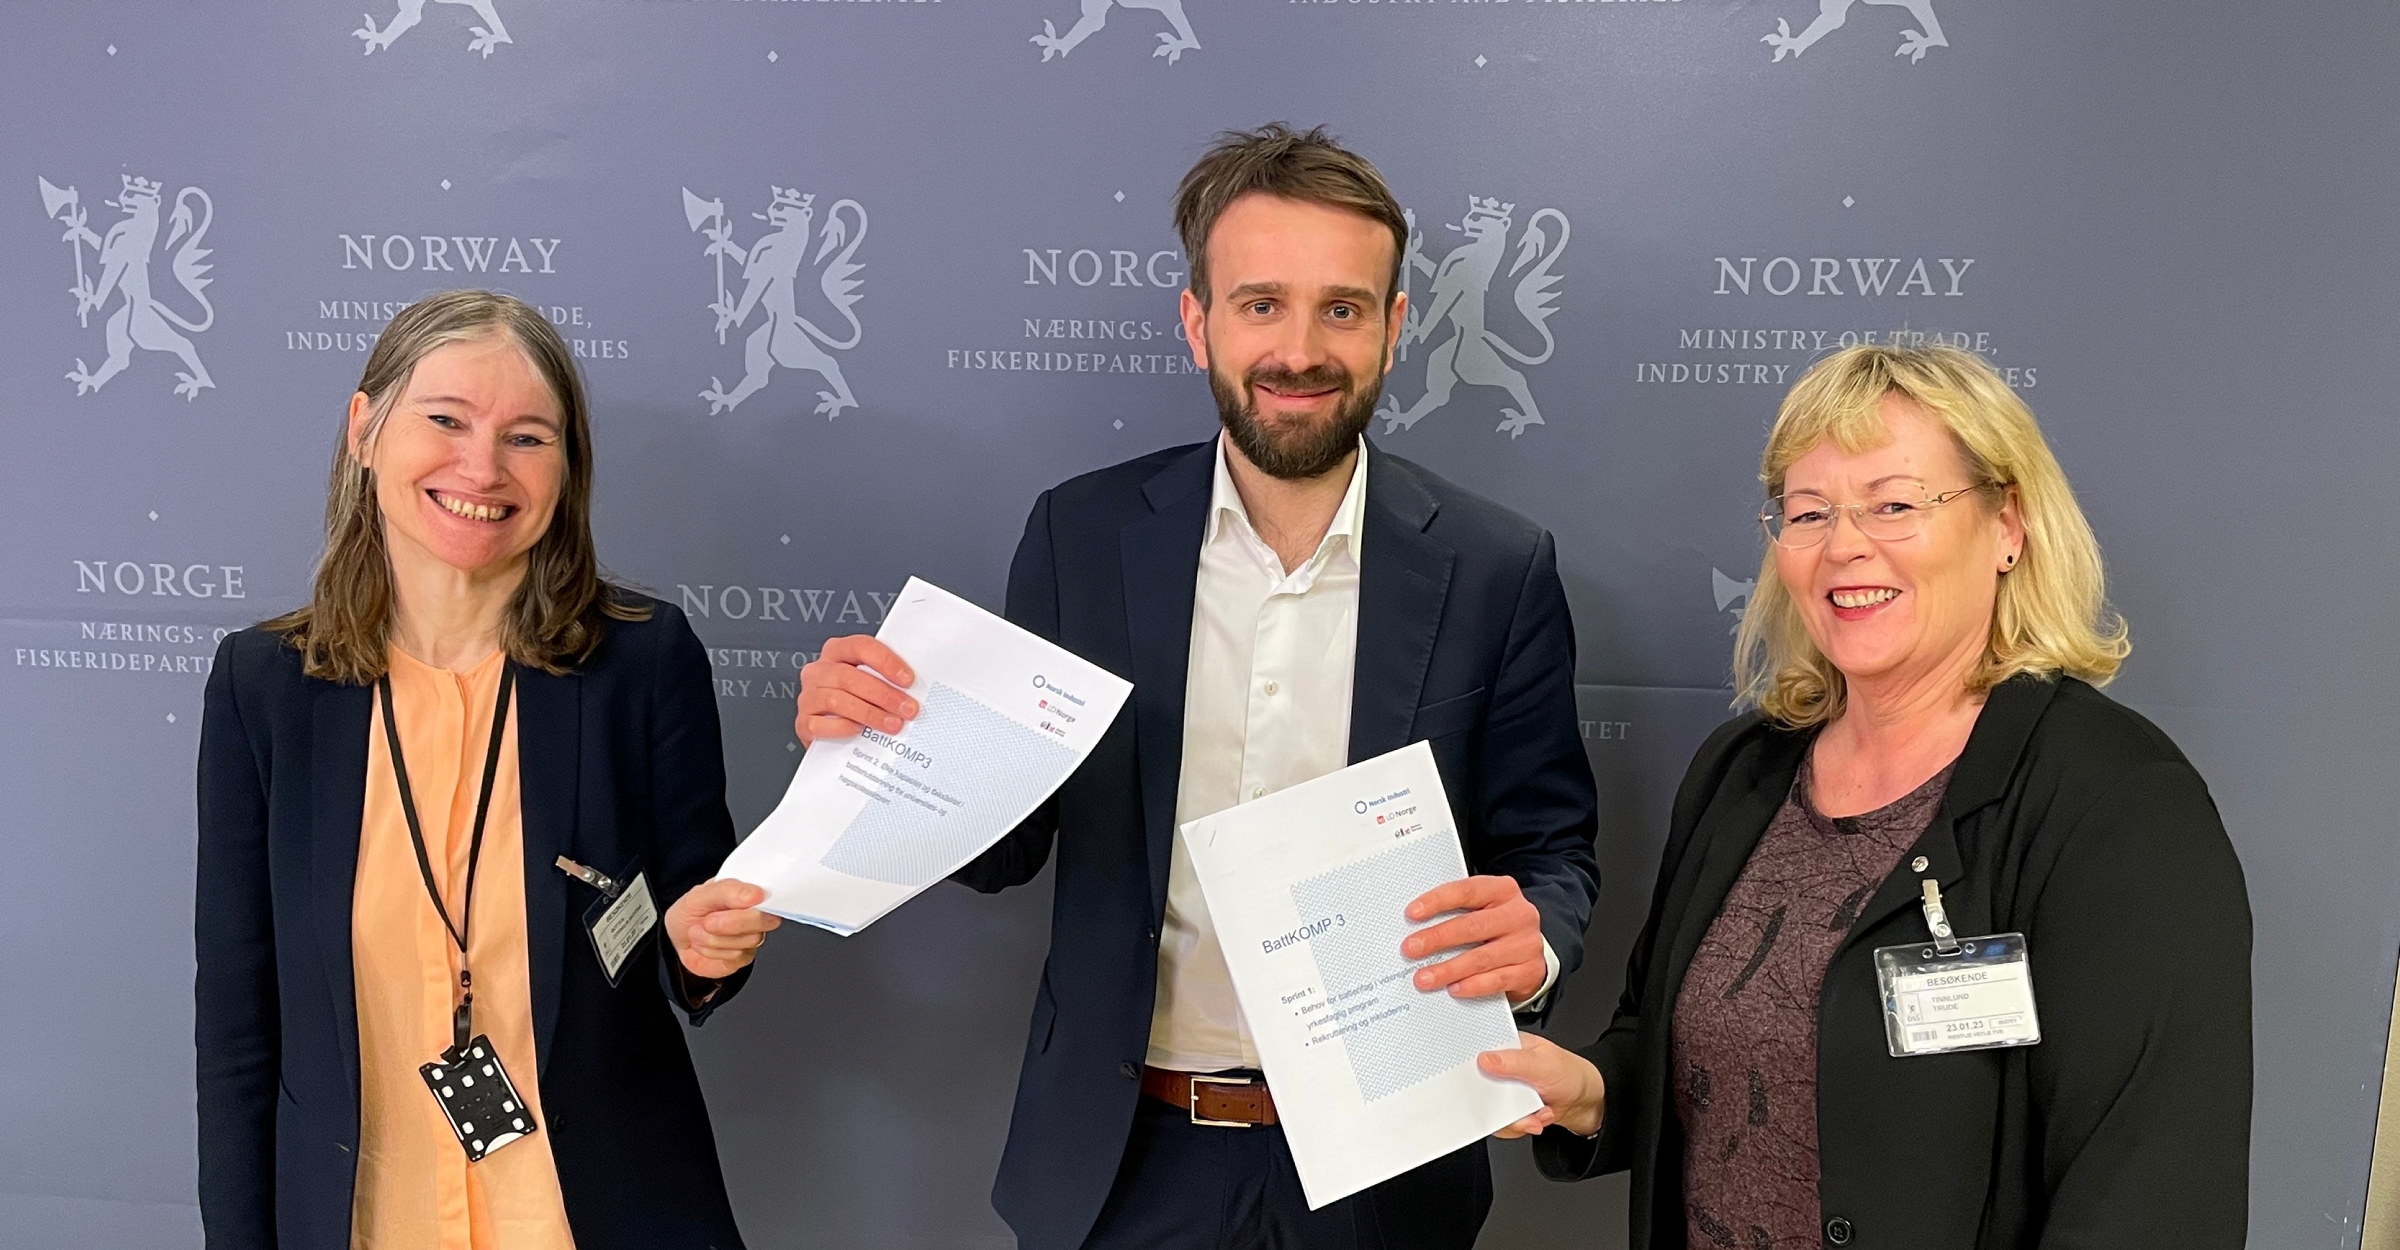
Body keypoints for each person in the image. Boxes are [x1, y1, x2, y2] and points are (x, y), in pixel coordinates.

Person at [794, 124, 1601, 1250]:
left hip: (1386, 1164)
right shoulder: (1081, 536)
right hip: (1121, 1159)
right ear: (1197, 321)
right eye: (1261, 304)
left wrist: (1536, 942)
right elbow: (1004, 844)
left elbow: (1552, 846)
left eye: (1341, 308)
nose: (1299, 350)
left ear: (1394, 326)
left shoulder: (1496, 566)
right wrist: (876, 746)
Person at [1481, 343, 2252, 1248]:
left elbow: (2149, 1197)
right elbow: (1678, 1046)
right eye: (1810, 512)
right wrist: (1592, 1092)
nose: (1845, 546)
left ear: (2008, 525)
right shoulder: (1743, 772)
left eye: (1894, 504)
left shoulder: (2115, 803)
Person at [195, 290, 780, 1249]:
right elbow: (236, 1022)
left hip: (598, 1216)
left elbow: (682, 928)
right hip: (362, 1222)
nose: (482, 468)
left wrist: (702, 949)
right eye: (446, 420)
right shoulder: (264, 686)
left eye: (527, 437)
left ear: (566, 467)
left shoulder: (643, 662)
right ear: (364, 430)